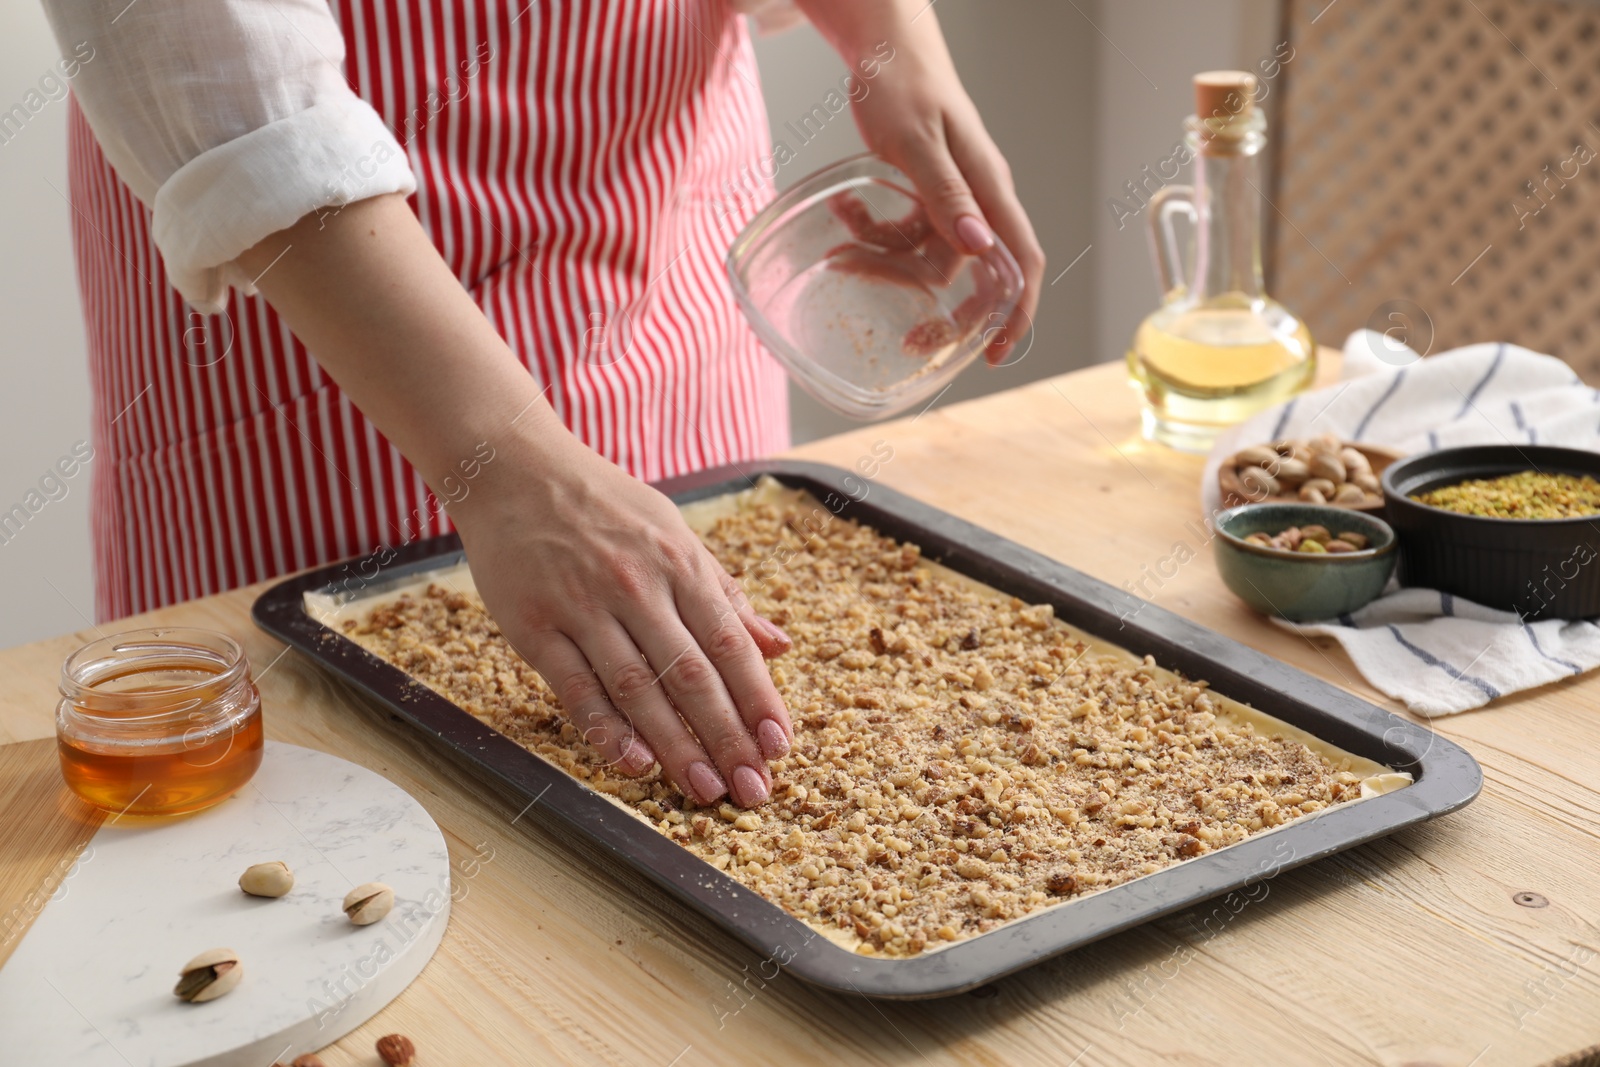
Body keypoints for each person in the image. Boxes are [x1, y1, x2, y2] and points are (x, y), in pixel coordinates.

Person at [41, 0, 1044, 809]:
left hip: (664, 228)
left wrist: (891, 40)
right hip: (321, 302)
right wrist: (504, 462)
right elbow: (201, 52)